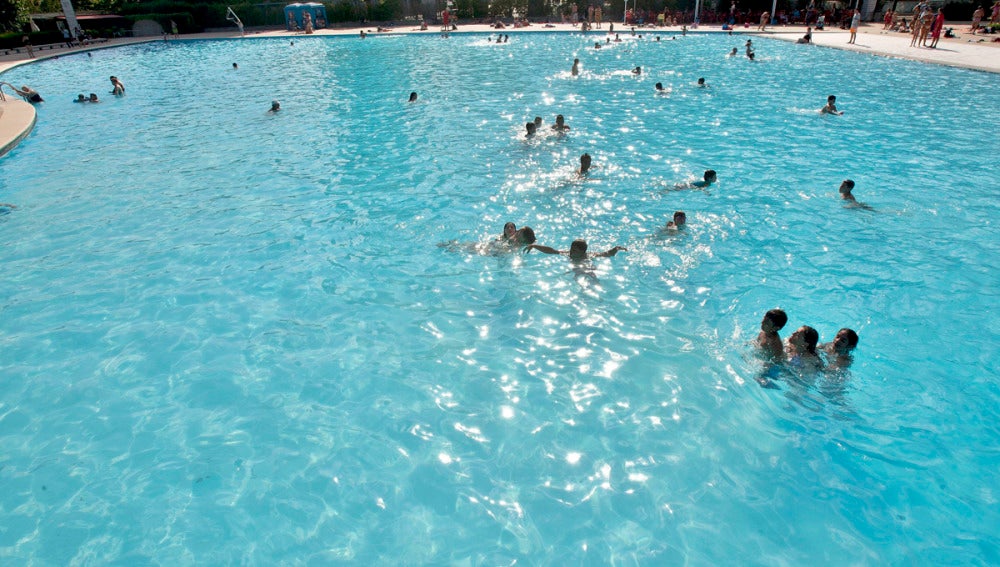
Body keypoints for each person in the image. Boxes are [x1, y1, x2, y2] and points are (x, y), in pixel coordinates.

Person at [526, 239, 627, 261]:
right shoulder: (568, 254)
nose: (571, 252)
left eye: (575, 250)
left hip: (587, 269)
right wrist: (535, 246)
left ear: (582, 252)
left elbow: (606, 254)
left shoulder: (589, 256)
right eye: (571, 249)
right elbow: (552, 251)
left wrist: (616, 248)